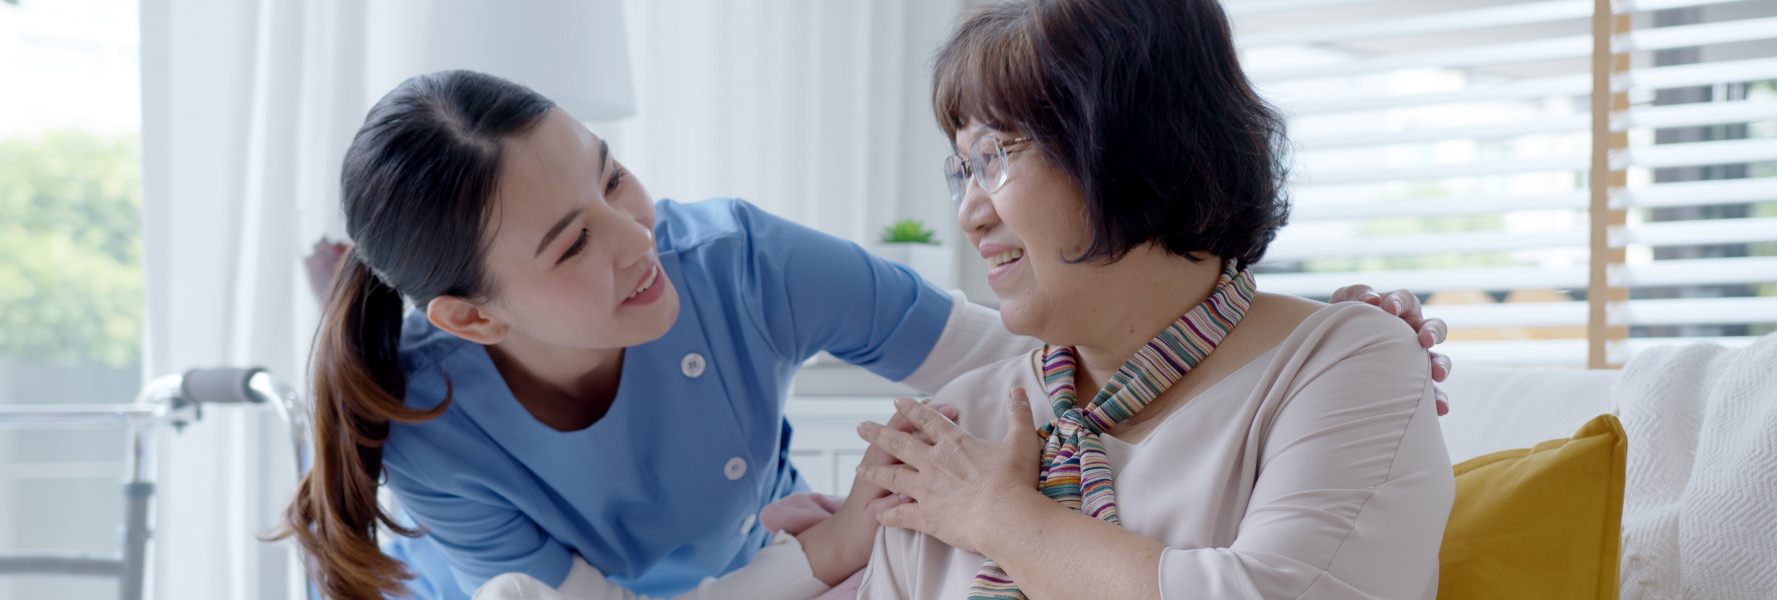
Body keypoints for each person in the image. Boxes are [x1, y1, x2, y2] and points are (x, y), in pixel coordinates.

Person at [279, 70, 1454, 600]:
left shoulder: (734, 262)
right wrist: (829, 549)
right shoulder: (435, 429)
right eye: (570, 246)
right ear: (472, 317)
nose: (635, 240)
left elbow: (1036, 347)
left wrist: (1279, 329)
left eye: (614, 180)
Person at [852, 1, 1456, 598]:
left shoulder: (1341, 363)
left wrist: (1002, 518)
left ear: (1132, 146)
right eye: (963, 170)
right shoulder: (953, 427)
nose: (969, 214)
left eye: (996, 156)